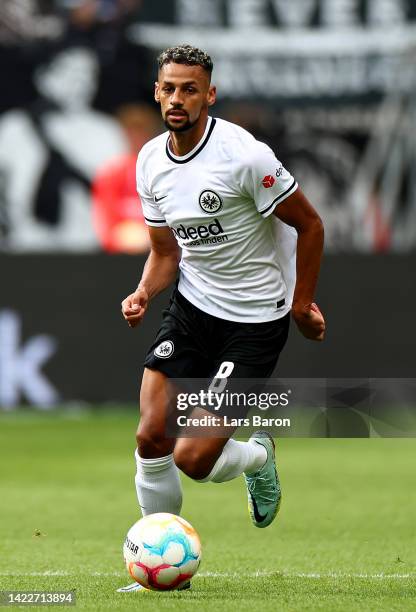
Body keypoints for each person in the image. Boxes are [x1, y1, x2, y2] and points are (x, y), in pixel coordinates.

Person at [119, 44, 325, 593]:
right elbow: (166, 252)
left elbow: (311, 225)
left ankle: (258, 457)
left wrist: (302, 304)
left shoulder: (244, 156)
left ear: (210, 94)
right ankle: (157, 575)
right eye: (169, 88)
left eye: (190, 88)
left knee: (193, 456)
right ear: (157, 92)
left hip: (254, 321)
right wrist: (143, 292)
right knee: (151, 436)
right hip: (191, 309)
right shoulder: (150, 160)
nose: (177, 98)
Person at [92, 104, 161, 254]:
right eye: (131, 132)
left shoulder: (164, 172)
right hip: (118, 255)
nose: (137, 138)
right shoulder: (110, 172)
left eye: (142, 131)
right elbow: (104, 220)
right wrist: (117, 238)